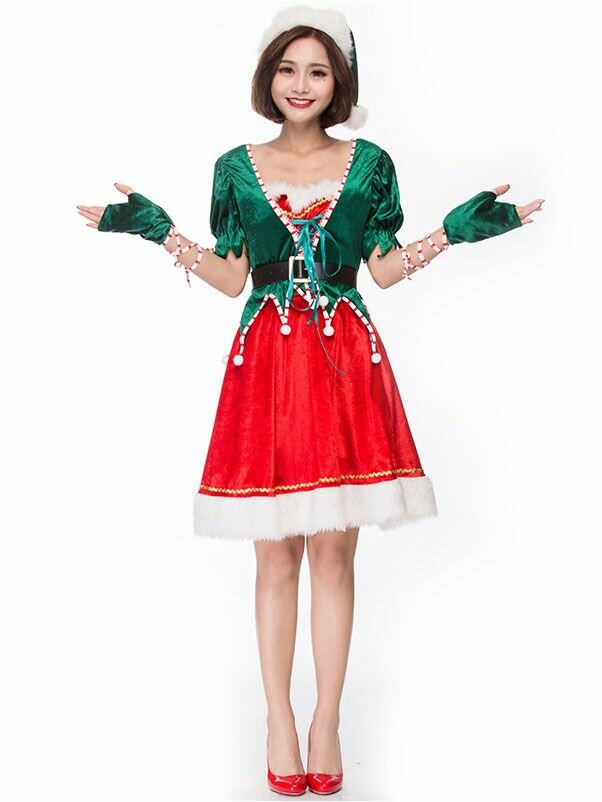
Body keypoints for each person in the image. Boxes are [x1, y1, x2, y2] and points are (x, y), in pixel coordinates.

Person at [76, 5, 544, 796]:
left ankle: (327, 719)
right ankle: (279, 721)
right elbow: (231, 277)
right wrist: (156, 230)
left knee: (333, 551)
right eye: (288, 69)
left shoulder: (370, 165)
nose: (302, 84)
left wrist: (457, 231)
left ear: (339, 84)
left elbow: (383, 270)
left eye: (318, 71)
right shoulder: (235, 167)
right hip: (266, 365)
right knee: (274, 552)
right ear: (268, 79)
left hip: (344, 365)